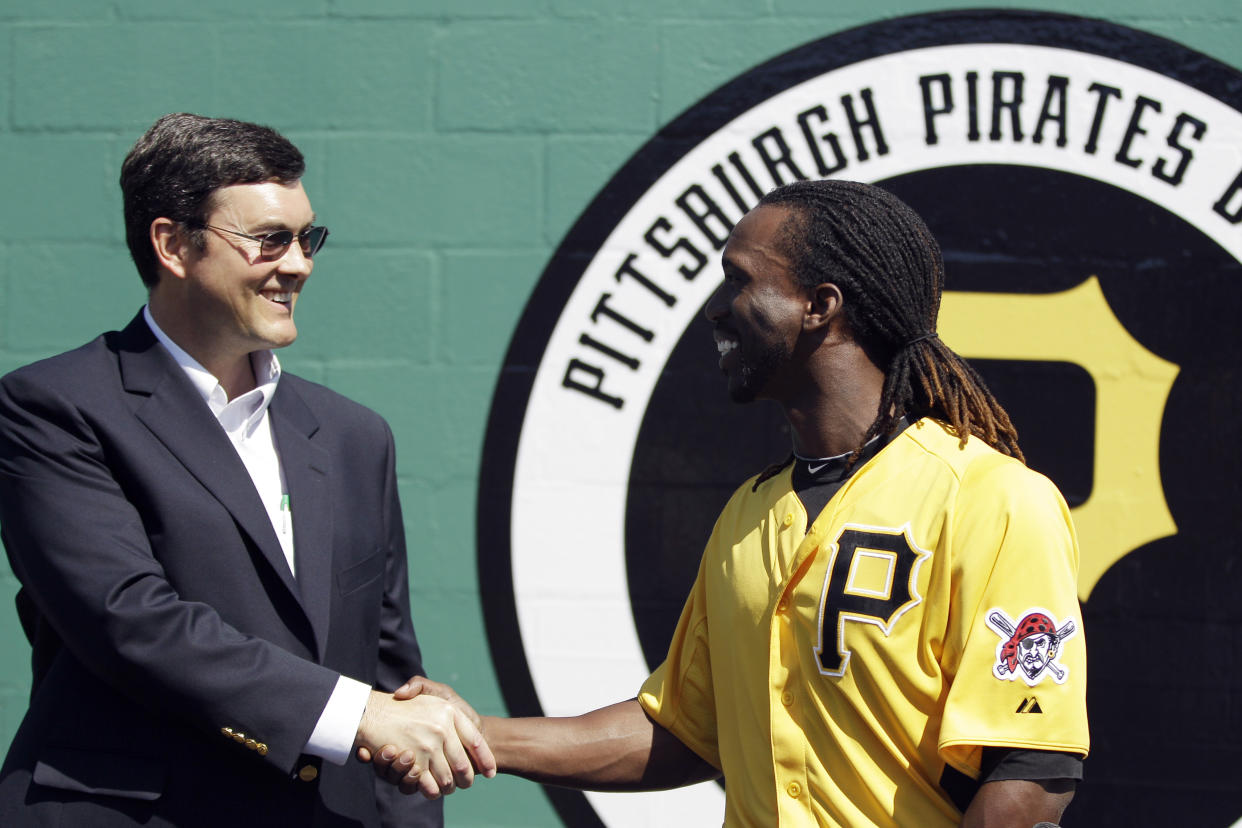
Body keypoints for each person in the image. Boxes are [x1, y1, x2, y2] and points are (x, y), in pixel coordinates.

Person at [392, 179, 1089, 826]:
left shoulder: (993, 498)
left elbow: (1028, 776)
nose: (717, 309)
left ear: (820, 306)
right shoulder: (750, 513)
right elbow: (685, 732)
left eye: (740, 280)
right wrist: (476, 733)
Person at [0, 113, 493, 827]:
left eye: (307, 238)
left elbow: (390, 678)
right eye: (270, 240)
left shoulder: (355, 437)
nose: (298, 264)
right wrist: (352, 714)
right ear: (173, 245)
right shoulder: (53, 408)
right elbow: (131, 621)